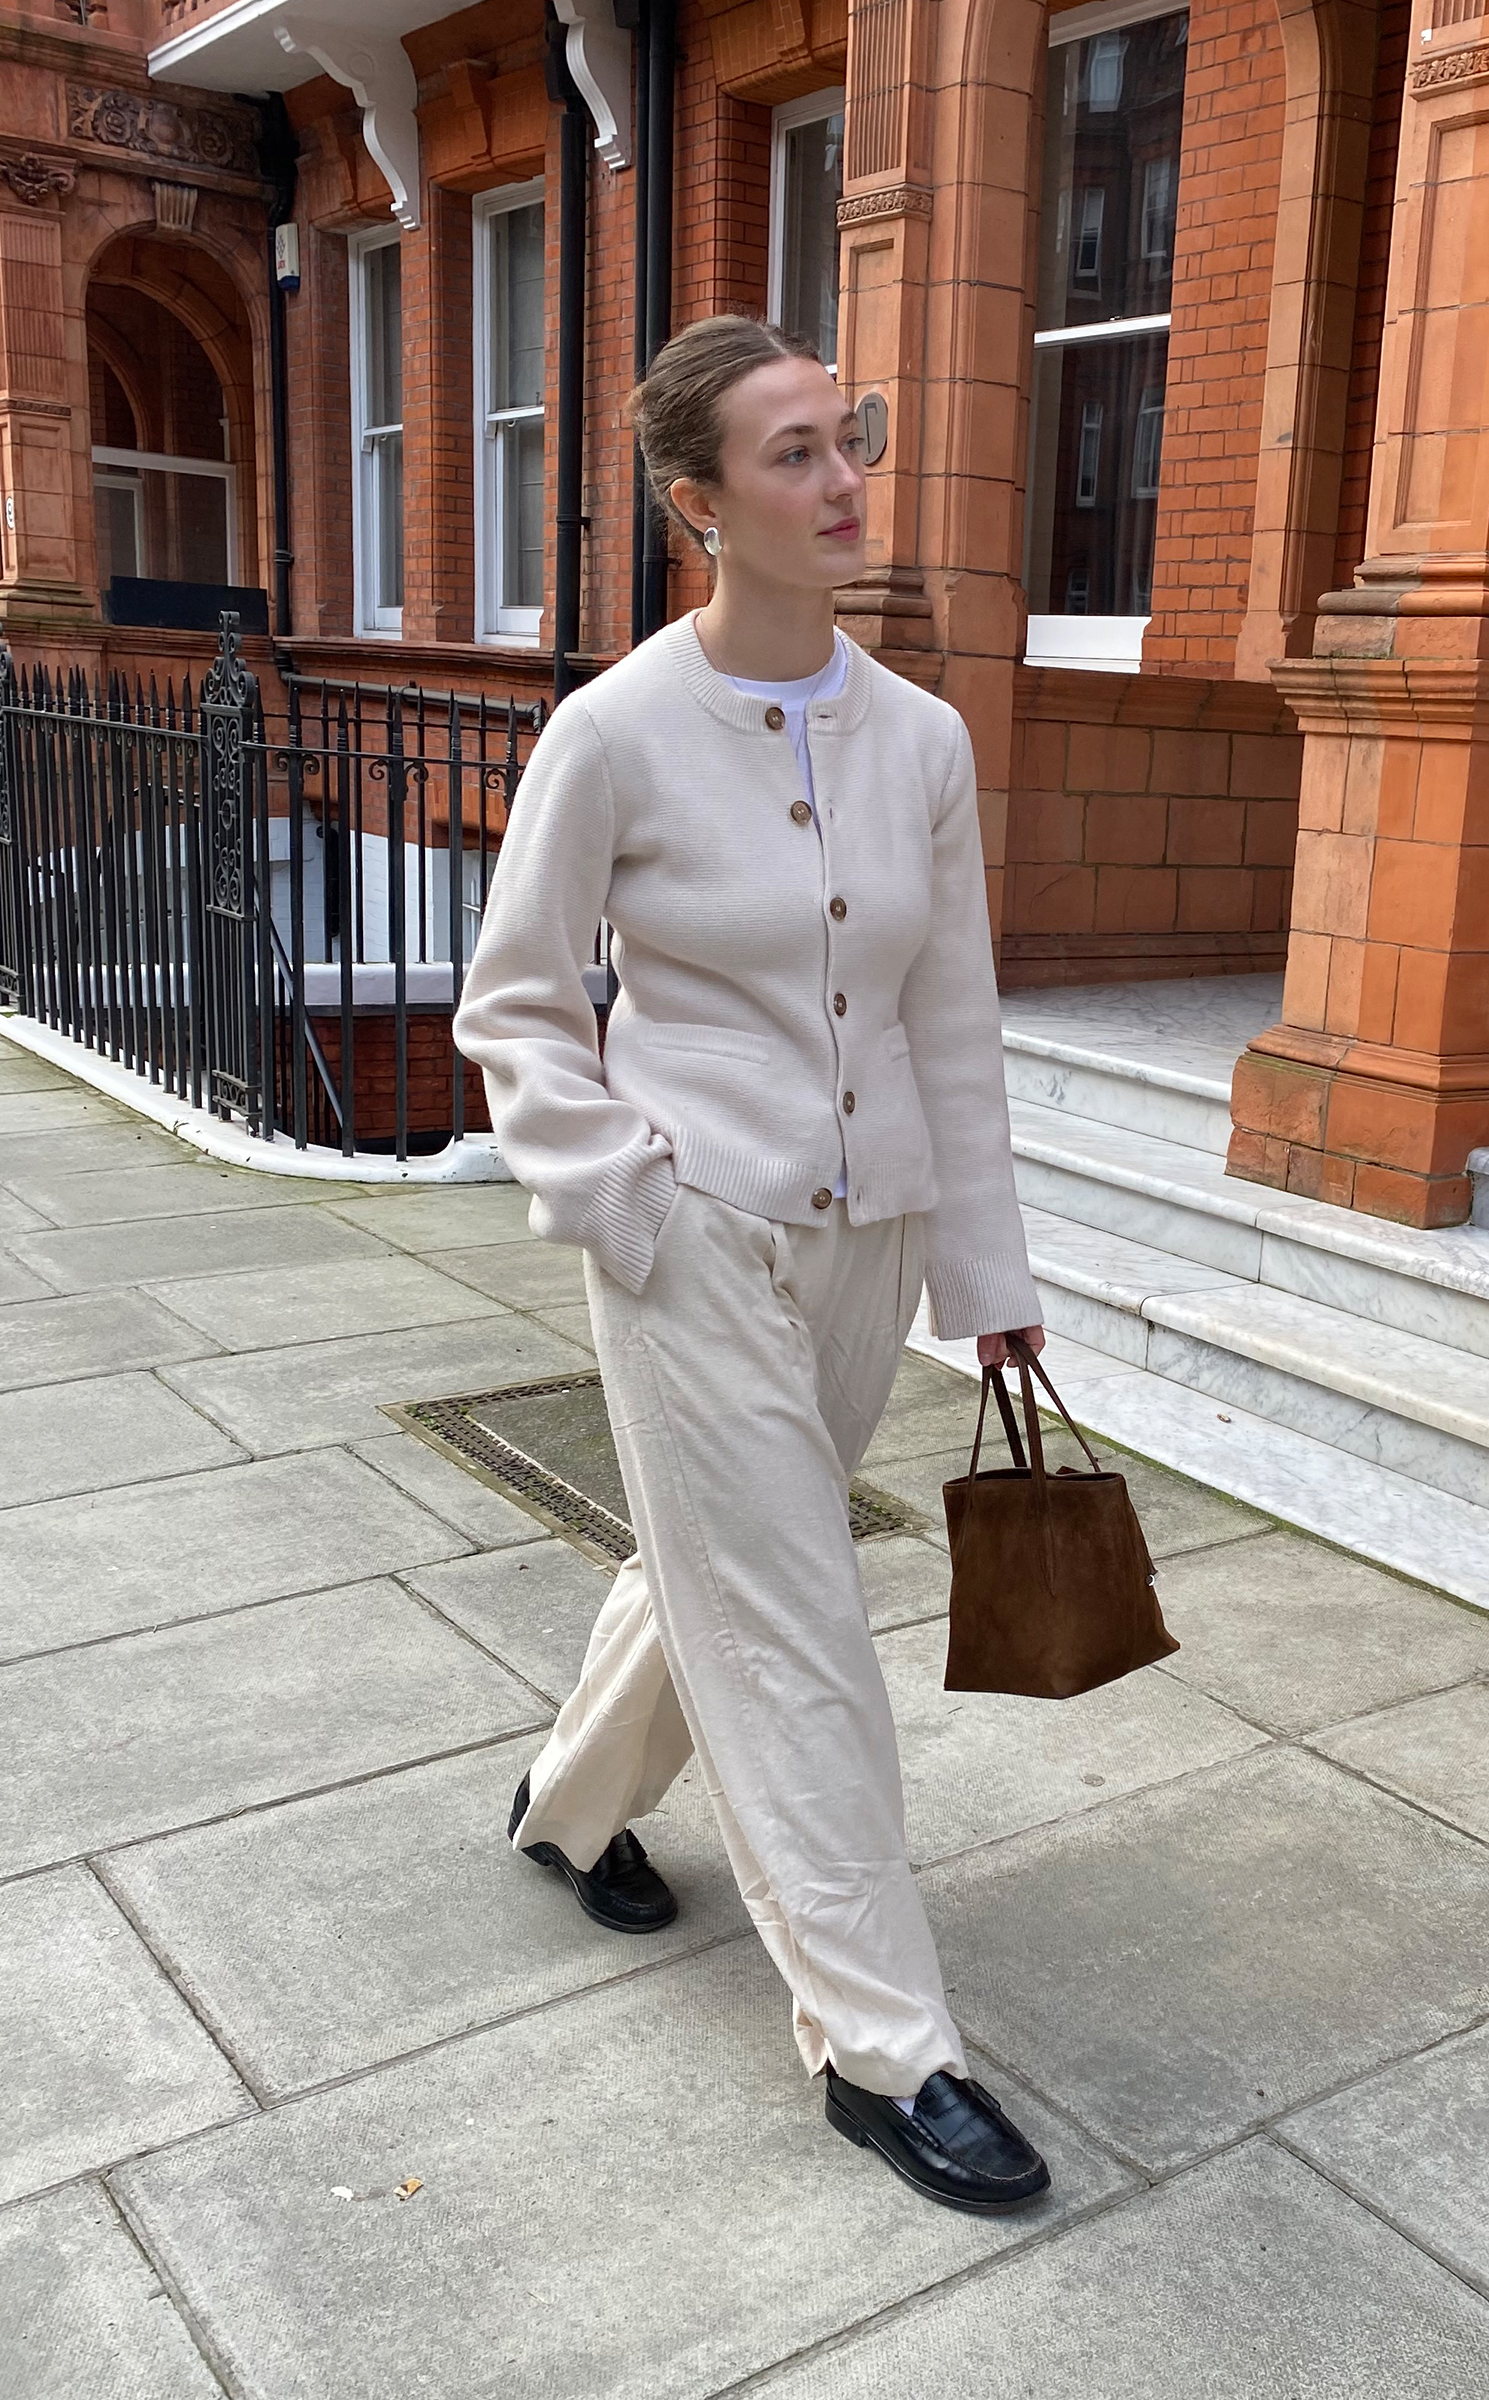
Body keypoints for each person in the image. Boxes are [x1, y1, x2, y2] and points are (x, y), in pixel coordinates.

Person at [453, 313, 1052, 2215]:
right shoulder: (612, 730)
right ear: (702, 505)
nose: (847, 478)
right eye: (795, 453)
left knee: (712, 1570)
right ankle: (887, 2048)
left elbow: (953, 1019)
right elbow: (517, 1005)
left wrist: (991, 1271)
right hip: (692, 1230)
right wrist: (619, 1191)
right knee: (797, 1624)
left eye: (849, 436)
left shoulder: (927, 740)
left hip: (872, 1239)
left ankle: (565, 1813)